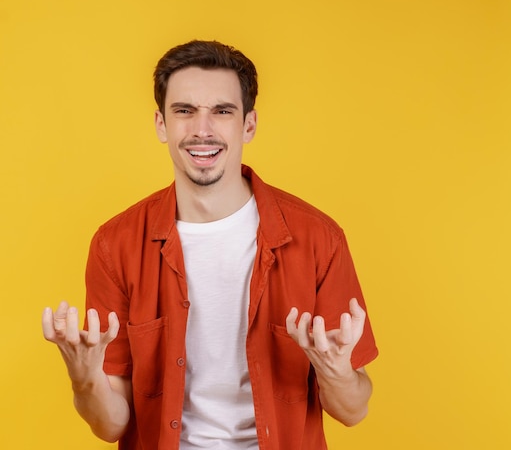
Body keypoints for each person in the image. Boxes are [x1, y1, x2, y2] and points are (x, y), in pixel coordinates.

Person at [42, 40, 378, 449]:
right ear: (161, 124)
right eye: (184, 111)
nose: (202, 129)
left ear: (248, 125)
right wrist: (85, 379)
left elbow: (353, 410)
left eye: (221, 111)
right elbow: (111, 425)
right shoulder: (116, 245)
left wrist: (337, 370)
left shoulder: (317, 239)